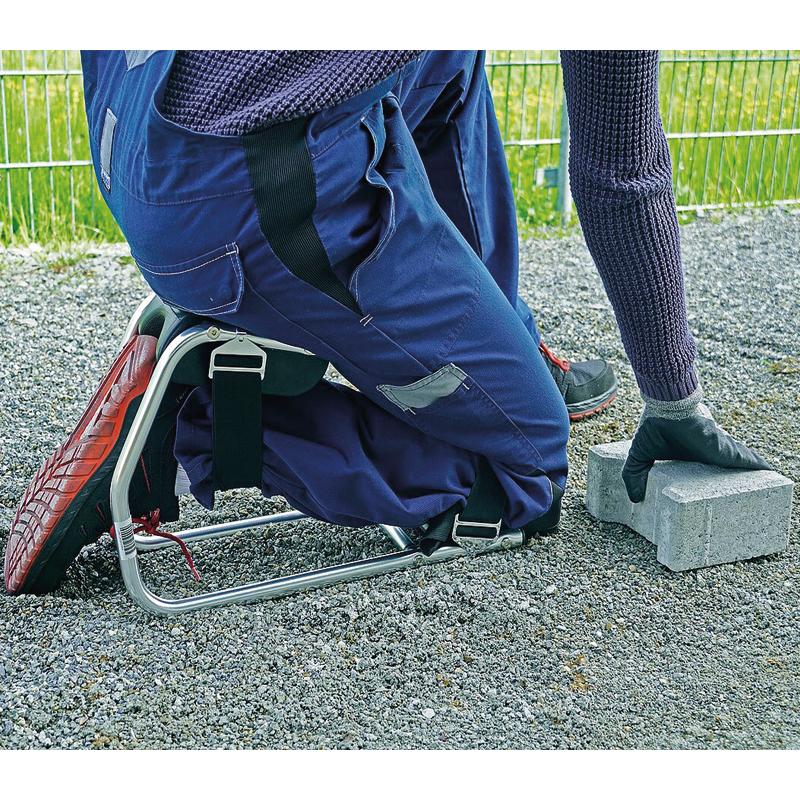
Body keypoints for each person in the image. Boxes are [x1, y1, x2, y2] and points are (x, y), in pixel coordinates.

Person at [3, 50, 768, 595]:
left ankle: (503, 350)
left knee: (450, 57)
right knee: (530, 475)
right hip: (245, 186)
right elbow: (621, 173)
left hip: (137, 136)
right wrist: (673, 400)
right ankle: (203, 417)